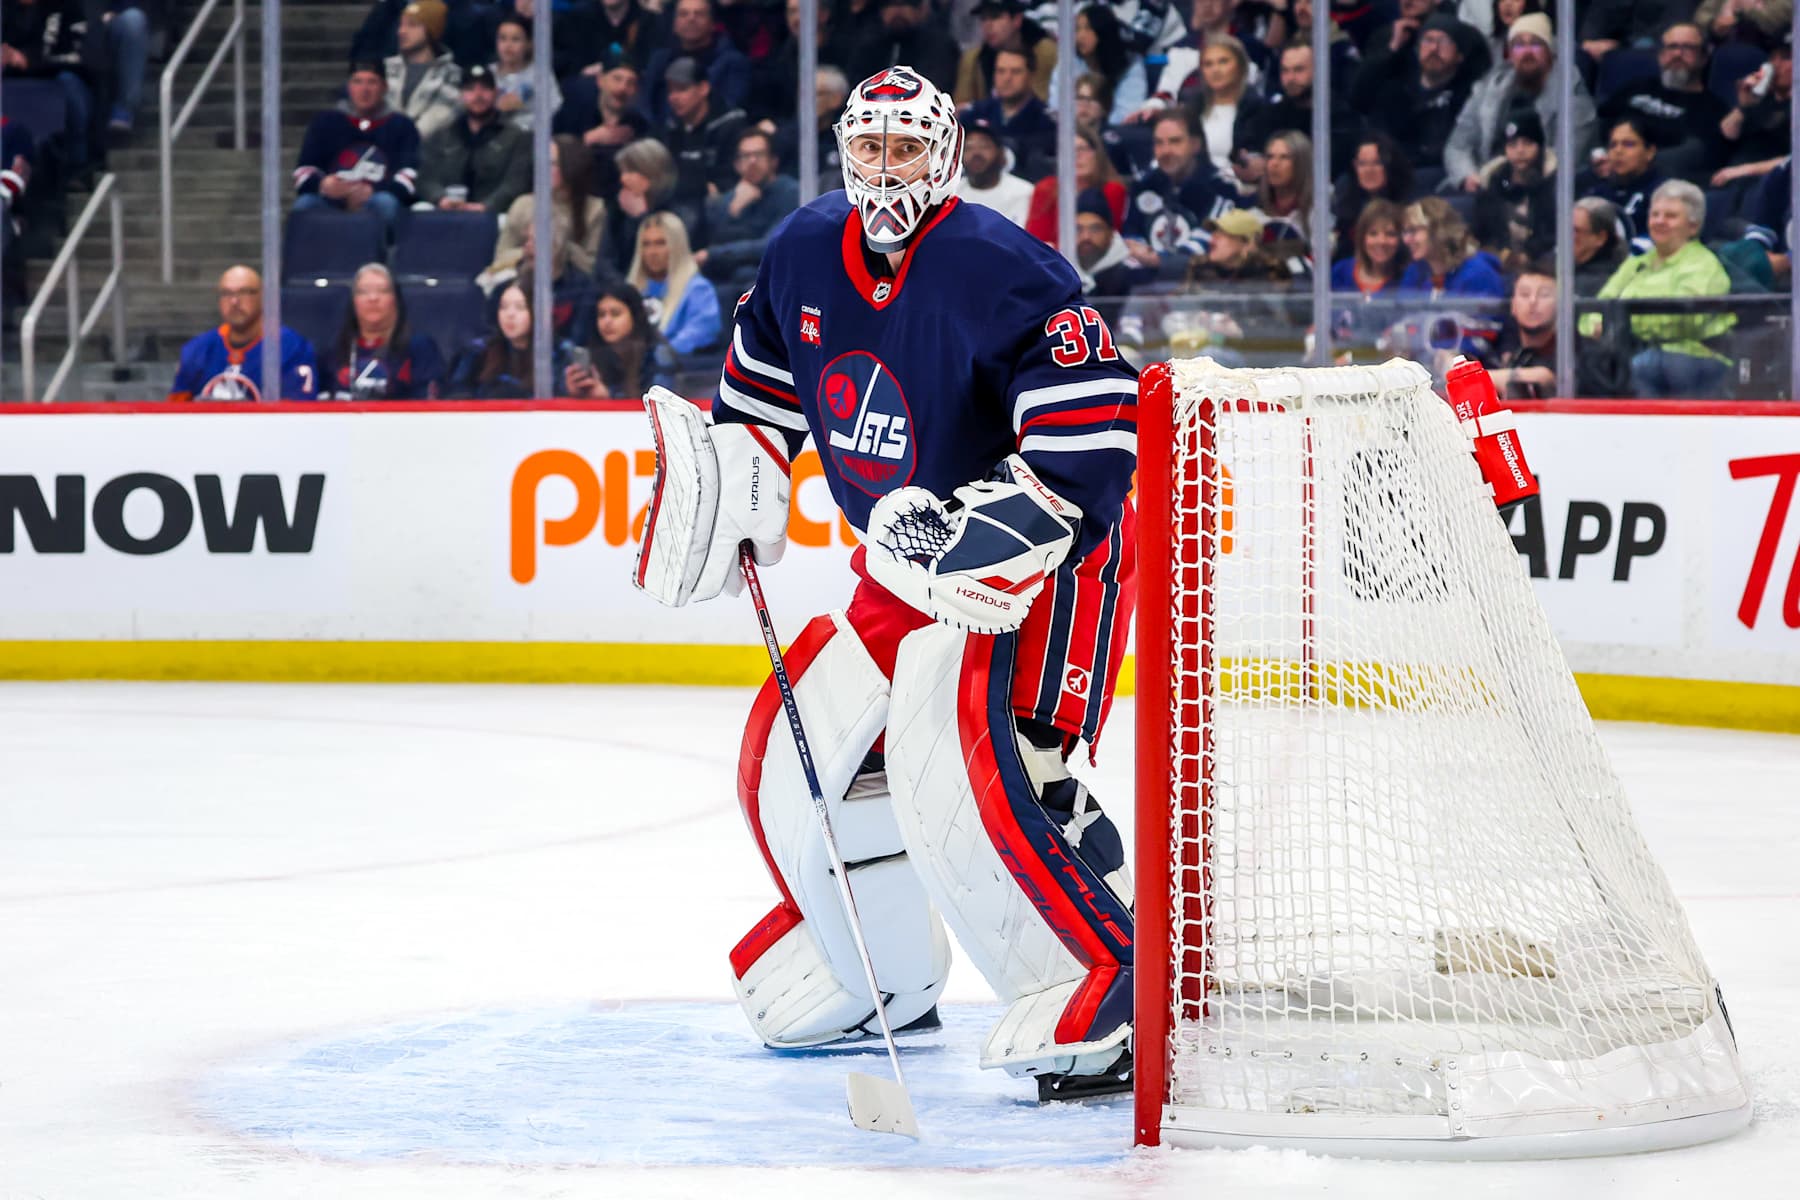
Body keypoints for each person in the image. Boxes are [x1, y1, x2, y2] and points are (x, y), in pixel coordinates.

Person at [637, 64, 1138, 1101]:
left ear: (944, 155)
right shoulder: (804, 251)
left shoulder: (1012, 271)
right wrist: (739, 484)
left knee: (983, 772)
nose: (884, 169)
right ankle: (876, 969)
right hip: (903, 559)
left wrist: (973, 529)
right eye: (868, 149)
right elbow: (761, 397)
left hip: (1046, 562)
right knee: (793, 749)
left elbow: (1092, 441)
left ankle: (1108, 975)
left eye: (905, 149)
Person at [1583, 179, 1738, 397]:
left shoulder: (1703, 265)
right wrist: (1601, 325)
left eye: (1671, 216)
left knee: (1647, 365)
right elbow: (1595, 310)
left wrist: (1620, 324)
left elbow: (1682, 321)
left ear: (1693, 226)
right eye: (1654, 214)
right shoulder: (1635, 264)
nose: (1659, 221)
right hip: (1633, 352)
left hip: (1691, 359)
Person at [1445, 13, 1596, 194]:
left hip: (1544, 188)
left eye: (1535, 44)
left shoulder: (1571, 93)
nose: (1527, 52)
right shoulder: (1490, 87)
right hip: (1486, 183)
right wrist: (1467, 176)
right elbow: (1458, 145)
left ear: (1550, 51)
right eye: (1518, 45)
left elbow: (1569, 159)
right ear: (1510, 53)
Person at [293, 63, 422, 238]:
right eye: (357, 82)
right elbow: (304, 170)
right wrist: (322, 185)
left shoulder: (401, 125)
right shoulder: (325, 122)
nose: (364, 89)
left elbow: (408, 175)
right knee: (305, 205)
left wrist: (373, 190)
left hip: (377, 197)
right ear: (349, 87)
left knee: (386, 203)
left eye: (372, 82)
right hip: (331, 198)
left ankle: (382, 262)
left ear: (384, 87)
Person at [1597, 22, 1730, 184]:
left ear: (1703, 58)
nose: (1677, 54)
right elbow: (1601, 123)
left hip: (1659, 182)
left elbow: (1692, 155)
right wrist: (1599, 155)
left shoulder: (1713, 108)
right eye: (1672, 47)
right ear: (1660, 55)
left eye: (1688, 48)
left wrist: (1635, 163)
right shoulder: (1636, 87)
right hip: (1608, 168)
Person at [1352, 12, 1482, 175]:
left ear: (1459, 56)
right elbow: (1358, 100)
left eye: (1444, 42)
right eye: (1428, 40)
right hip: (1393, 172)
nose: (1434, 49)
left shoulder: (1466, 95)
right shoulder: (1395, 91)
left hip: (1438, 174)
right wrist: (1391, 49)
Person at [169, 266, 318, 402]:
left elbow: (297, 413)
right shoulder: (196, 350)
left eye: (244, 292)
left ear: (263, 296)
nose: (234, 301)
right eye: (226, 293)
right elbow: (175, 412)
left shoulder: (293, 348)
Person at [1120, 109, 1240, 279]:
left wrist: (1161, 261)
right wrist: (1140, 255)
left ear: (1195, 144)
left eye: (1175, 142)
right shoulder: (1144, 184)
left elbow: (1210, 239)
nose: (1166, 150)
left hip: (1203, 282)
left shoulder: (1220, 185)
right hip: (1147, 285)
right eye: (1159, 143)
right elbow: (1131, 235)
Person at [1488, 260, 1630, 398]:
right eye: (1525, 294)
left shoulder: (1587, 356)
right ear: (1513, 306)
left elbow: (1544, 377)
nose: (1533, 302)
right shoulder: (1515, 356)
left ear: (1562, 305)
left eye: (1544, 295)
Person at [1397, 195, 1506, 360]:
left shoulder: (1479, 273)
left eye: (1414, 231)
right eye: (1405, 232)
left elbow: (1485, 336)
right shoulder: (1415, 272)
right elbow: (1401, 320)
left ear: (1439, 230)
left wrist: (1449, 356)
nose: (1406, 239)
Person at [488, 135, 609, 283]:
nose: (543, 170)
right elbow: (501, 256)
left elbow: (592, 265)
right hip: (523, 282)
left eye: (551, 163)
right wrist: (530, 250)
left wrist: (559, 248)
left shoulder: (595, 209)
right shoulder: (523, 204)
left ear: (571, 166)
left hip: (573, 286)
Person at [415, 65, 531, 215]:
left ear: (496, 93)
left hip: (496, 215)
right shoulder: (442, 135)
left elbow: (515, 183)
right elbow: (425, 177)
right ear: (461, 95)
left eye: (484, 89)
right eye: (470, 89)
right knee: (420, 209)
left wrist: (487, 206)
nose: (478, 95)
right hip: (447, 210)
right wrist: (440, 198)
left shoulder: (517, 137)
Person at [320, 263, 445, 400]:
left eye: (383, 291)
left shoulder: (420, 348)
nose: (373, 298)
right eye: (363, 291)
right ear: (354, 301)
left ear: (395, 299)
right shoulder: (334, 351)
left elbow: (428, 405)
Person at [698, 128, 800, 289]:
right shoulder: (729, 199)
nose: (752, 161)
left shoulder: (790, 192)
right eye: (745, 156)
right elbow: (715, 242)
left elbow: (771, 245)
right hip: (727, 279)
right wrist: (734, 210)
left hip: (771, 276)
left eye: (759, 155)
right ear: (736, 164)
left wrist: (714, 255)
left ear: (773, 160)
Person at [655, 55, 748, 217]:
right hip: (677, 204)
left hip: (719, 206)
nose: (673, 97)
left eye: (682, 89)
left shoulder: (730, 123)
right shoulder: (670, 127)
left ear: (703, 88)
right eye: (670, 90)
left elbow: (728, 178)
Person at [560, 281, 678, 399]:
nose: (607, 321)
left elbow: (662, 405)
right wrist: (573, 393)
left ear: (634, 316)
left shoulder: (658, 354)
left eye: (615, 314)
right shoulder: (595, 354)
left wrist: (609, 397)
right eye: (601, 315)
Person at [642, 0, 751, 125]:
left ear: (712, 23)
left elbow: (730, 107)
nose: (691, 19)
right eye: (683, 14)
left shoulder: (733, 62)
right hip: (660, 134)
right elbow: (646, 105)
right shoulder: (659, 60)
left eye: (699, 14)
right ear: (674, 24)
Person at [626, 210, 721, 353]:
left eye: (660, 243)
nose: (652, 252)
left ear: (677, 246)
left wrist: (660, 355)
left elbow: (701, 330)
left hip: (675, 369)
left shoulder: (698, 289)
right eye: (646, 244)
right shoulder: (630, 290)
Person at [1472, 111, 1557, 269]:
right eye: (1513, 145)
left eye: (1527, 143)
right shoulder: (1493, 182)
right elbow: (1480, 232)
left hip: (1541, 262)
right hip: (1497, 261)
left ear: (1539, 146)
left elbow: (1552, 235)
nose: (1520, 151)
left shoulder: (1553, 183)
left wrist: (1527, 255)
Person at [957, 46, 1056, 175]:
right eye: (1001, 71)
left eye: (1015, 72)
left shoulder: (1047, 121)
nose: (1007, 78)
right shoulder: (974, 113)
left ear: (1031, 76)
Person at [1024, 126, 1126, 248]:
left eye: (1082, 149)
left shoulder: (1113, 190)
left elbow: (1111, 240)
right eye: (1069, 151)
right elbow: (1036, 242)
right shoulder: (1046, 188)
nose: (1076, 156)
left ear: (1097, 154)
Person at [1578, 115, 1667, 253]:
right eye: (1613, 145)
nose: (1618, 151)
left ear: (1650, 152)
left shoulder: (1664, 194)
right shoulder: (1596, 194)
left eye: (1628, 144)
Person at [1043, 3, 1145, 123]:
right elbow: (1057, 105)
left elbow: (1127, 113)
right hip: (1074, 131)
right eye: (1077, 29)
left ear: (1104, 31)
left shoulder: (1130, 65)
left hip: (1113, 132)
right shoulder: (1069, 61)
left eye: (1088, 28)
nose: (1080, 36)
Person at [554, 48, 649, 168]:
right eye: (617, 79)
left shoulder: (639, 126)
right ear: (600, 80)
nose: (622, 88)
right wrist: (588, 139)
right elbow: (550, 155)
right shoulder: (571, 115)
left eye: (630, 83)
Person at [384, 0, 462, 142]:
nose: (402, 31)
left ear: (431, 31)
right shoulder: (386, 69)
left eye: (412, 25)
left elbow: (438, 118)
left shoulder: (452, 75)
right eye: (401, 24)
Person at [845, 0, 960, 94]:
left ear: (921, 10)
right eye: (890, 5)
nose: (897, 11)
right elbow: (857, 86)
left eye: (906, 4)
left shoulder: (938, 45)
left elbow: (934, 86)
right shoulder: (869, 45)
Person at [957, 0, 1058, 106]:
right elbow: (960, 106)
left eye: (995, 17)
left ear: (1016, 20)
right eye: (983, 18)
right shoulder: (973, 58)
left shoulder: (1045, 52)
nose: (988, 25)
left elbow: (1041, 102)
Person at [448, 281, 535, 399]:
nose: (510, 314)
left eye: (520, 307)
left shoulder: (557, 354)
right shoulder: (479, 353)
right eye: (503, 307)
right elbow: (457, 396)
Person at [1332, 132, 1414, 251]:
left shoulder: (1408, 209)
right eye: (1362, 164)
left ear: (1390, 165)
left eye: (1377, 163)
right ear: (1355, 166)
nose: (1369, 170)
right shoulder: (1344, 204)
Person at [955, 115, 1034, 227]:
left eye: (984, 146)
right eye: (968, 147)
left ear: (1001, 154)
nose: (976, 153)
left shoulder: (1025, 192)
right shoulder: (952, 194)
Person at [489, 12, 559, 132]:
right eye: (502, 38)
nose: (508, 45)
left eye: (515, 39)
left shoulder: (540, 74)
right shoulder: (488, 73)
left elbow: (553, 109)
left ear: (528, 44)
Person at [1572, 195, 1629, 293]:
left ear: (1600, 238)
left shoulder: (1607, 282)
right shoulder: (1551, 264)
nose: (1567, 236)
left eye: (1576, 231)